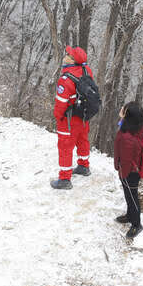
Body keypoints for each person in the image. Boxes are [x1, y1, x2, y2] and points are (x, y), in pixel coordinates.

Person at [50, 45, 94, 190]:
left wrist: (58, 117)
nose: (65, 55)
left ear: (72, 59)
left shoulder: (65, 79)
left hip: (68, 119)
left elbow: (61, 103)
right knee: (83, 140)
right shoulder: (87, 71)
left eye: (67, 54)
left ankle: (64, 179)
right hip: (84, 116)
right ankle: (83, 166)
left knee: (65, 147)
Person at [113, 101, 143, 238]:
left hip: (129, 173)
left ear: (129, 118)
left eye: (124, 110)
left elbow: (126, 161)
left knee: (132, 197)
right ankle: (129, 215)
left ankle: (137, 224)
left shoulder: (128, 138)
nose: (121, 109)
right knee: (128, 195)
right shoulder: (132, 129)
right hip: (128, 171)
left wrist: (122, 173)